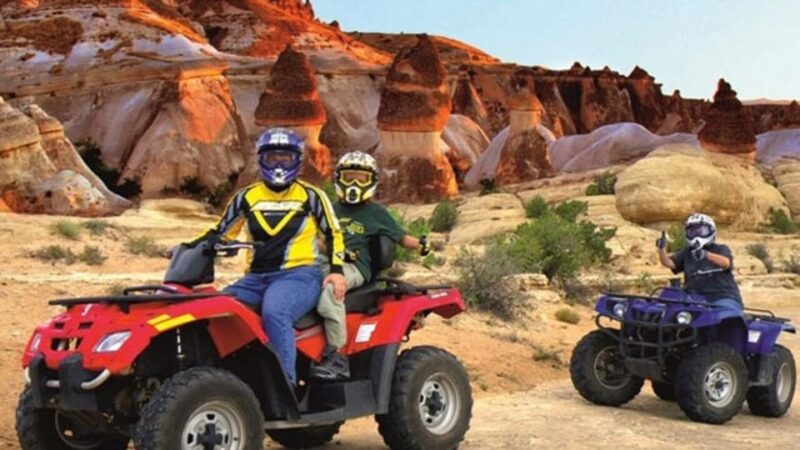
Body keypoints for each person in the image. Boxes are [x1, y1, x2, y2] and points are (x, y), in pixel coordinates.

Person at [187, 128, 346, 385]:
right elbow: (221, 233)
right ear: (261, 160)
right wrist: (188, 248)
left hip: (299, 276)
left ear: (298, 160)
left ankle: (285, 386)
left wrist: (337, 270)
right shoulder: (246, 198)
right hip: (254, 278)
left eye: (286, 157)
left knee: (275, 312)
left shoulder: (311, 196)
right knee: (212, 307)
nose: (280, 164)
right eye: (273, 158)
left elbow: (334, 234)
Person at [309, 151, 432, 380]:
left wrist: (422, 244)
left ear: (372, 182)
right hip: (327, 261)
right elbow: (318, 239)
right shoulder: (331, 209)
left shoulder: (376, 213)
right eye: (349, 177)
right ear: (339, 179)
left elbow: (401, 237)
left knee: (330, 292)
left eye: (361, 179)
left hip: (355, 268)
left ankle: (337, 356)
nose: (354, 184)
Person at [656, 213, 743, 310]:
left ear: (711, 231)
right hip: (695, 297)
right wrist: (662, 248)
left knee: (724, 316)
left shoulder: (720, 248)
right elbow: (669, 263)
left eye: (701, 231)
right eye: (692, 231)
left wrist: (705, 255)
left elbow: (726, 263)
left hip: (722, 296)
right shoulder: (688, 251)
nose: (697, 235)